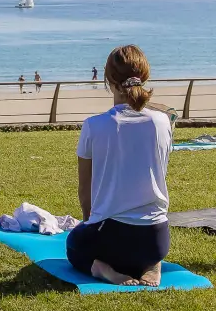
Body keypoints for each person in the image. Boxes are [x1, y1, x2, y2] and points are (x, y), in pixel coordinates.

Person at [68, 45, 173, 287]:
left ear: (109, 81)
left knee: (73, 246)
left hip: (111, 239)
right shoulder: (162, 122)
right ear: (144, 77)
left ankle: (101, 267)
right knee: (141, 250)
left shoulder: (94, 125)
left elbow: (85, 191)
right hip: (156, 238)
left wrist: (90, 226)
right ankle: (152, 264)